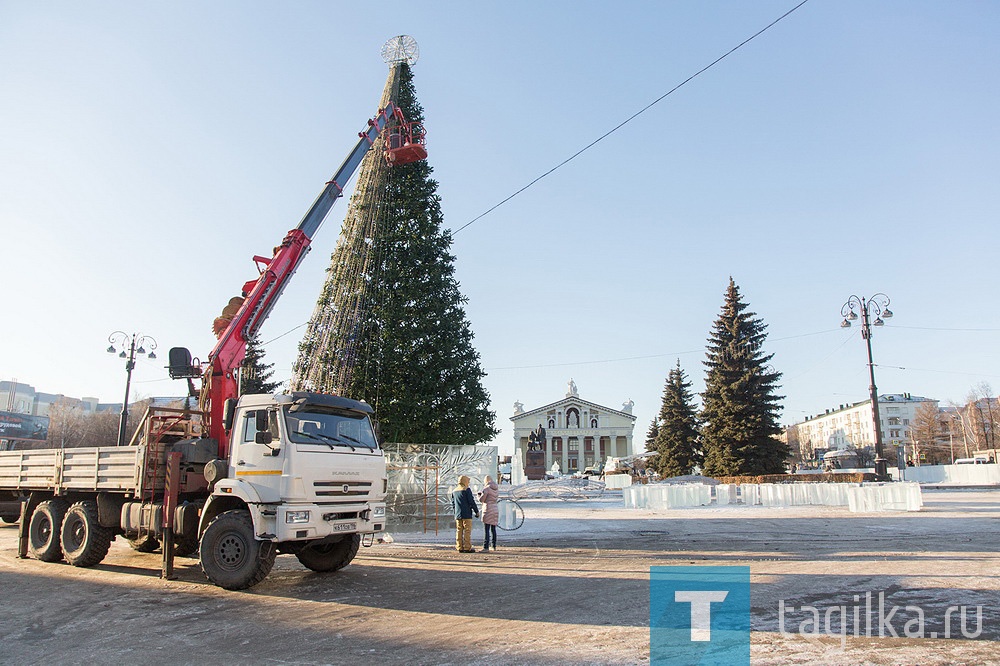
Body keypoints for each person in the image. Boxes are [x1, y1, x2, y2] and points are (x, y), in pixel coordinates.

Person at [452, 475, 479, 553]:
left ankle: (459, 546)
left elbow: (453, 503)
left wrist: (455, 513)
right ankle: (467, 547)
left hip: (457, 514)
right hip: (466, 514)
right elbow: (471, 502)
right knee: (467, 530)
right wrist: (476, 511)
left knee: (459, 530)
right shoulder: (467, 490)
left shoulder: (454, 491)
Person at [478, 475, 499, 552]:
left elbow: (482, 500)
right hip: (495, 508)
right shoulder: (496, 488)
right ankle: (493, 545)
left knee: (487, 529)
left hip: (488, 509)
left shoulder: (486, 489)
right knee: (493, 529)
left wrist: (479, 496)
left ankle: (486, 546)